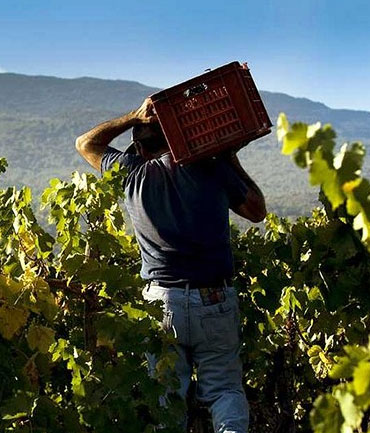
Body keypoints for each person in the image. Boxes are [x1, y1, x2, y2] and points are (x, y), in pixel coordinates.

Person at [74, 97, 266, 433]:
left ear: (139, 146)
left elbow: (85, 143)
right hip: (214, 300)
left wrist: (133, 116)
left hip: (162, 304)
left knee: (165, 401)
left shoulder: (130, 173)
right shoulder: (210, 166)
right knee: (224, 390)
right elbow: (256, 210)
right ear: (178, 137)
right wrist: (229, 157)